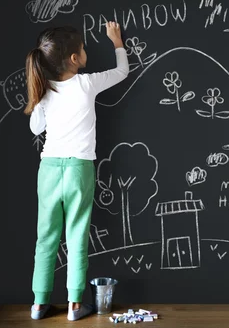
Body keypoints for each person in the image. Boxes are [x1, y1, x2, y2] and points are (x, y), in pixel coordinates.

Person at [25, 22, 129, 320]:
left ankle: (38, 304)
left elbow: (36, 128)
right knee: (77, 236)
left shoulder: (45, 91)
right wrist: (116, 41)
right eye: (83, 49)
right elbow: (122, 72)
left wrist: (39, 101)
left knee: (45, 237)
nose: (86, 52)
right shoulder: (86, 84)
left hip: (48, 169)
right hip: (79, 168)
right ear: (74, 59)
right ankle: (74, 305)